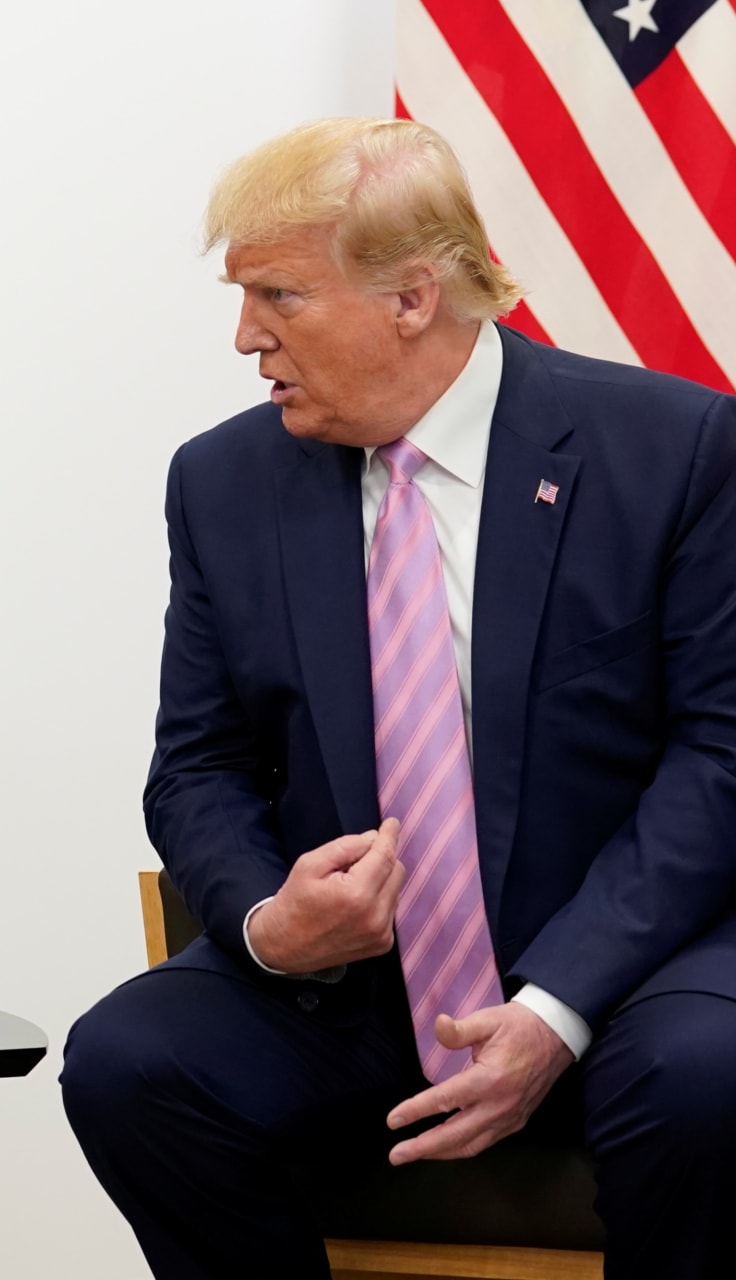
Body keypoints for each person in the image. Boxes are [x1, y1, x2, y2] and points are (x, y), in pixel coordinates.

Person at [59, 118, 736, 1278]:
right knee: (128, 1059)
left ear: (413, 298)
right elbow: (198, 765)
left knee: (705, 1076)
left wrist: (556, 1005)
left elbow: (719, 758)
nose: (243, 337)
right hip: (354, 993)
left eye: (277, 294)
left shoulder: (671, 448)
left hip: (625, 976)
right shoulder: (223, 482)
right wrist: (273, 924)